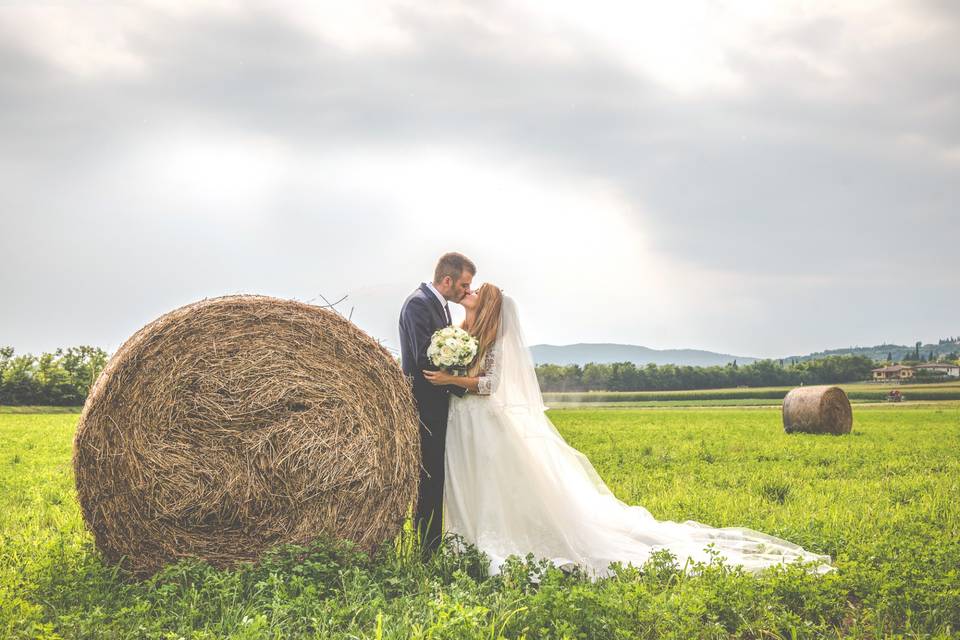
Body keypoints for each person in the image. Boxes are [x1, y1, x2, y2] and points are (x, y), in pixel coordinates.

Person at [423, 284, 835, 578]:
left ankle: (494, 540)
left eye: (476, 292)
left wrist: (450, 381)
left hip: (482, 419)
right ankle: (467, 540)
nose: (469, 292)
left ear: (490, 306)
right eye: (468, 289)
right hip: (466, 421)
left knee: (496, 485)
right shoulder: (464, 333)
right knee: (475, 481)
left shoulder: (491, 339)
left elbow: (490, 384)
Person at [398, 252, 475, 554]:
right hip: (425, 404)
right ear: (447, 280)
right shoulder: (419, 304)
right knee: (429, 478)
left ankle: (431, 543)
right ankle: (427, 549)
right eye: (464, 285)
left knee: (436, 477)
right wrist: (463, 380)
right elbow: (421, 359)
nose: (467, 291)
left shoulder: (438, 305)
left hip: (438, 402)